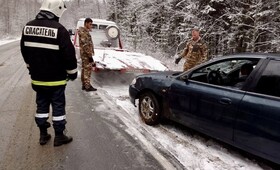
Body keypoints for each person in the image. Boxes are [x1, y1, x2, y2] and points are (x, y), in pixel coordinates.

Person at [20, 0, 77, 147]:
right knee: (58, 107)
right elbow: (69, 55)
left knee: (41, 106)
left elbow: (25, 52)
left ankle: (43, 135)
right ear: (56, 10)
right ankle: (59, 136)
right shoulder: (60, 29)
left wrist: (31, 68)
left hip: (38, 80)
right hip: (56, 80)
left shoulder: (28, 27)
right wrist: (72, 73)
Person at [78, 18, 97, 92]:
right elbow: (85, 45)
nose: (91, 26)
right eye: (90, 24)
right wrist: (90, 56)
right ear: (86, 23)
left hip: (85, 54)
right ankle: (87, 86)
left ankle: (84, 84)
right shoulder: (83, 32)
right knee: (87, 70)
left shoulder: (85, 32)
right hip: (86, 54)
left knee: (84, 69)